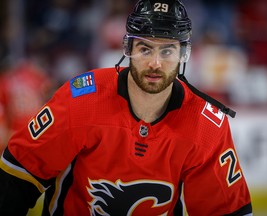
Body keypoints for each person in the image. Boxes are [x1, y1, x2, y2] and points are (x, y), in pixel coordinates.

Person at [0, 0, 252, 215]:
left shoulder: (207, 126)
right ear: (128, 48)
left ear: (183, 54)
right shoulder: (81, 99)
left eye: (167, 51)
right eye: (145, 48)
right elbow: (17, 177)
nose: (155, 63)